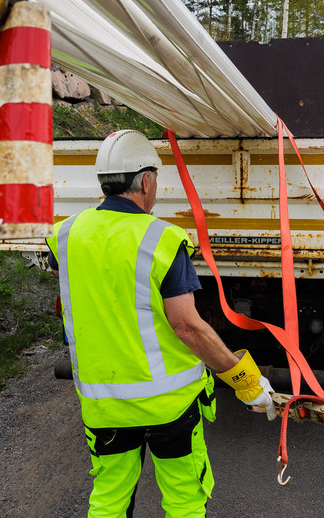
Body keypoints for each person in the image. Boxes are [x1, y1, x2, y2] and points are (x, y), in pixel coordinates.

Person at [45, 129, 275, 517]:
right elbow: (187, 326)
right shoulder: (162, 240)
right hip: (169, 407)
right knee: (184, 500)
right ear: (147, 181)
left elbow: (83, 291)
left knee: (109, 499)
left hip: (104, 406)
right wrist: (245, 382)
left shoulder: (65, 234)